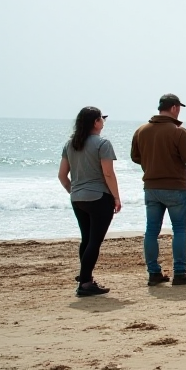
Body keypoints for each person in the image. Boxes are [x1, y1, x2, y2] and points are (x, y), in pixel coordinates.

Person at [131, 93, 186, 286]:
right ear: (174, 108)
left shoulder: (141, 130)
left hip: (151, 186)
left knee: (151, 230)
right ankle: (180, 272)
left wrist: (152, 161)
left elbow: (135, 157)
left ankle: (153, 272)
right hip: (175, 186)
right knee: (179, 229)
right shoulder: (178, 132)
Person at [57, 107, 122, 297]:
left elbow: (62, 175)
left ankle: (86, 278)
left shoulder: (70, 144)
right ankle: (85, 282)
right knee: (95, 240)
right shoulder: (103, 143)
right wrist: (116, 197)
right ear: (95, 122)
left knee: (86, 239)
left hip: (77, 198)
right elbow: (108, 173)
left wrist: (74, 190)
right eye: (102, 119)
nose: (103, 122)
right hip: (99, 197)